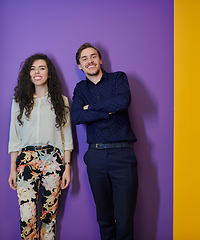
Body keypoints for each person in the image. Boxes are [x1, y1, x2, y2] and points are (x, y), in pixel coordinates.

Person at [71, 43, 138, 240]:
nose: (89, 61)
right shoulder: (80, 88)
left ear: (100, 60)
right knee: (104, 219)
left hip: (123, 155)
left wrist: (89, 108)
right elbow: (76, 117)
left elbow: (122, 102)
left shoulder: (118, 78)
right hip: (96, 156)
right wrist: (106, 111)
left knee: (125, 219)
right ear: (79, 66)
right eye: (84, 59)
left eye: (93, 56)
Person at [8, 53, 73, 240]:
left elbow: (66, 138)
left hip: (54, 160)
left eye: (42, 68)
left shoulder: (61, 101)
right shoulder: (19, 102)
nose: (37, 72)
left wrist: (67, 167)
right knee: (27, 217)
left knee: (49, 217)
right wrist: (13, 168)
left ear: (49, 73)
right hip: (25, 160)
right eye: (33, 68)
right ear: (28, 74)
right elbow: (14, 137)